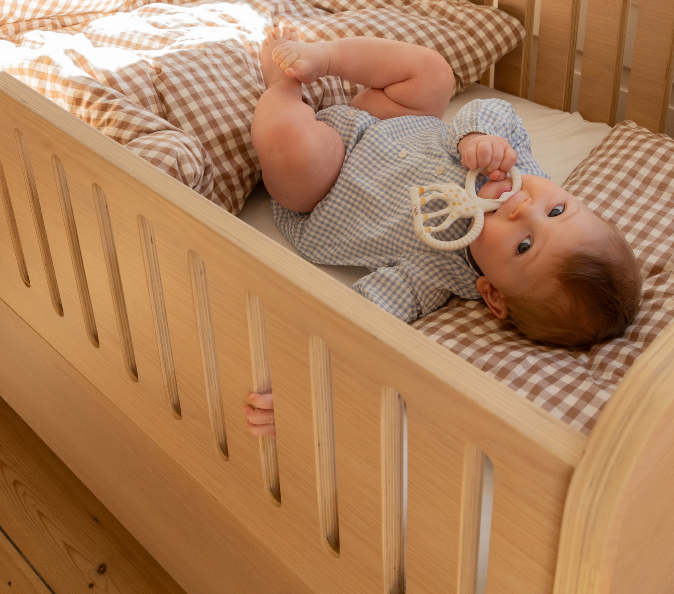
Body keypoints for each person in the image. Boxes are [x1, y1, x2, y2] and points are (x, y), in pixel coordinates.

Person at [245, 29, 640, 438]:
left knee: (287, 140)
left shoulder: (435, 270)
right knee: (433, 72)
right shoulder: (519, 168)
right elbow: (495, 111)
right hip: (391, 121)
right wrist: (477, 137)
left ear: (493, 294)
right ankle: (324, 57)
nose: (524, 208)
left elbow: (364, 316)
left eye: (524, 245)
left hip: (327, 179)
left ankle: (283, 86)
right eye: (557, 210)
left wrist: (308, 384)